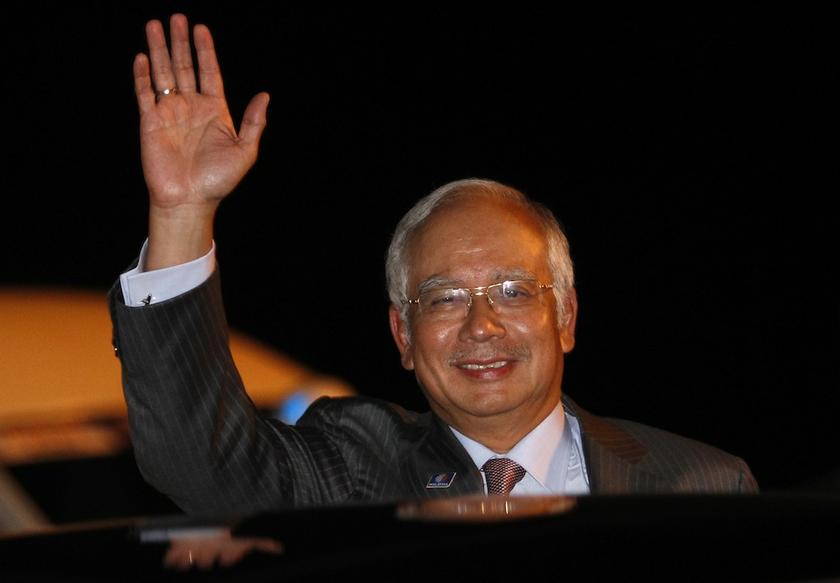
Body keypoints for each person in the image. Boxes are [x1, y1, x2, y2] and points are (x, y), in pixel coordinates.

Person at [110, 13, 758, 519]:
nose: (481, 325)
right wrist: (183, 213)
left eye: (511, 290)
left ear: (565, 315)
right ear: (402, 336)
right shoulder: (356, 468)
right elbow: (201, 463)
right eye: (445, 297)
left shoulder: (699, 485)